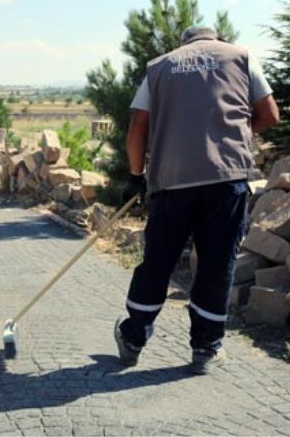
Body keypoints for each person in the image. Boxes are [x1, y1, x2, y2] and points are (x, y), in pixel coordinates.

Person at [114, 26, 280, 375]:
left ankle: (133, 338)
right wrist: (233, 133)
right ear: (216, 39)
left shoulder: (160, 66)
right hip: (226, 178)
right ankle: (206, 347)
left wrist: (135, 177)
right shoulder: (241, 57)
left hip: (172, 180)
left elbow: (137, 126)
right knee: (217, 264)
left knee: (158, 261)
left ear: (183, 43)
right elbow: (270, 115)